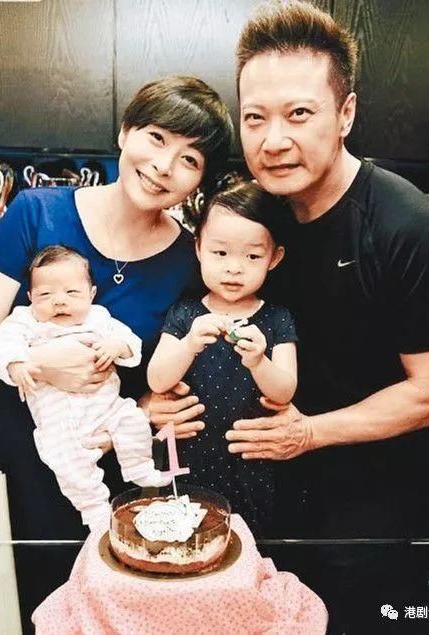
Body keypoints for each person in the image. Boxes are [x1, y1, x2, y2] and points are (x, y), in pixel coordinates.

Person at [224, 0, 429, 630]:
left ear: (346, 114)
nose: (274, 140)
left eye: (299, 114)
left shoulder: (404, 226)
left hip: (373, 504)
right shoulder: (254, 216)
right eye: (255, 117)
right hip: (266, 491)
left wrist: (309, 433)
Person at [0, 75, 234, 540]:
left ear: (200, 180)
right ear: (125, 132)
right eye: (157, 138)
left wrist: (144, 408)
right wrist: (43, 364)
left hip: (103, 460)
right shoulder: (35, 212)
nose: (164, 166)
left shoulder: (190, 260)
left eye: (189, 159)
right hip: (3, 442)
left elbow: (169, 371)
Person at [147, 180, 297, 535]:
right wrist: (189, 345)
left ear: (274, 258)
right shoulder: (185, 313)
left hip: (249, 459)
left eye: (252, 256)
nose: (234, 268)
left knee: (248, 543)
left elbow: (284, 391)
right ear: (198, 248)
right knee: (183, 538)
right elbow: (157, 380)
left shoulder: (277, 319)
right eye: (220, 253)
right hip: (188, 454)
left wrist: (259, 361)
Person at [0, 245, 172, 531]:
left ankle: (139, 468)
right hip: (58, 418)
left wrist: (116, 346)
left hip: (107, 407)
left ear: (91, 294)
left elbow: (131, 343)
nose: (59, 302)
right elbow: (2, 343)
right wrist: (16, 364)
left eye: (72, 293)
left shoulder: (99, 318)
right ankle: (94, 508)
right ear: (30, 298)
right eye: (45, 295)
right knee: (68, 463)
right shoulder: (26, 321)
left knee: (133, 420)